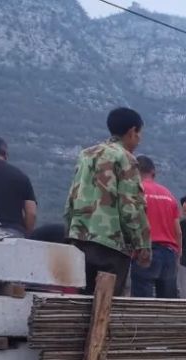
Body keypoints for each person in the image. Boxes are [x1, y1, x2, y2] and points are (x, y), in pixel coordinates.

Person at [64, 107, 150, 296]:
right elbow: (130, 206)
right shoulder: (125, 158)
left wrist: (70, 231)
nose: (139, 138)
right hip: (111, 243)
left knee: (82, 302)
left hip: (80, 239)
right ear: (132, 131)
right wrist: (141, 244)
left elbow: (72, 196)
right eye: (139, 133)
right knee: (106, 304)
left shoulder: (86, 155)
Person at [130, 155, 180, 298]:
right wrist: (177, 254)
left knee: (142, 303)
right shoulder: (169, 195)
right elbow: (178, 232)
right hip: (169, 253)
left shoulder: (135, 192)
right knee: (168, 304)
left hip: (145, 252)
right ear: (153, 172)